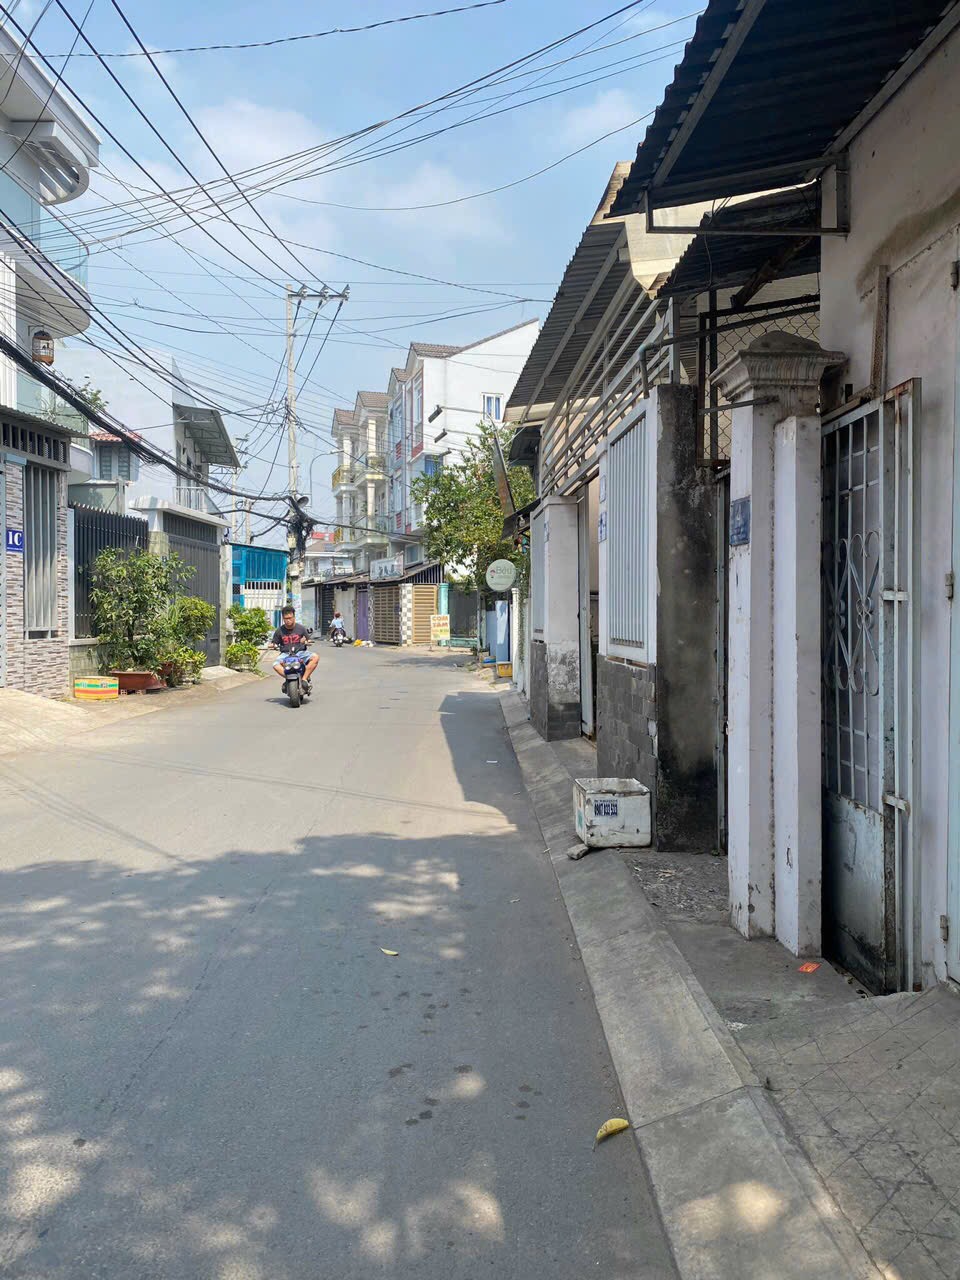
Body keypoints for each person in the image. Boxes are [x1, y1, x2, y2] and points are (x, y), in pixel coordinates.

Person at [270, 606, 319, 687]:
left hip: (300, 653)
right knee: (275, 665)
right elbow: (274, 642)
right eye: (286, 618)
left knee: (315, 657)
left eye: (290, 618)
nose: (288, 620)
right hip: (285, 654)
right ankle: (288, 679)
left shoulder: (301, 628)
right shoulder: (279, 630)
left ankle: (304, 679)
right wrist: (272, 645)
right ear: (283, 619)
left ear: (294, 617)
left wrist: (307, 641)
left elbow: (308, 639)